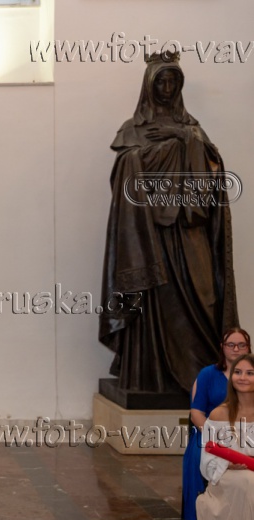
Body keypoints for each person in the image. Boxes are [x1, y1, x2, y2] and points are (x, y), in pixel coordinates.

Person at [99, 51, 237, 396]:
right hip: (148, 234)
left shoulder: (193, 130)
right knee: (153, 300)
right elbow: (124, 175)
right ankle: (149, 375)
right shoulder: (132, 130)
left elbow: (213, 174)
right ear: (148, 86)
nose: (166, 88)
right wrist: (149, 154)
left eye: (172, 82)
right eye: (160, 81)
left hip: (188, 231)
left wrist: (185, 140)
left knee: (203, 298)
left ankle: (203, 380)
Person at [197, 354, 254, 520]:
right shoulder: (219, 414)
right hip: (225, 481)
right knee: (249, 482)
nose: (243, 377)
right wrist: (228, 463)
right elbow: (207, 462)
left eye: (250, 373)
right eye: (238, 372)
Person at [182, 327, 250, 520]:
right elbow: (196, 412)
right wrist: (216, 436)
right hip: (210, 432)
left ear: (248, 347)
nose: (236, 349)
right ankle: (206, 512)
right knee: (200, 454)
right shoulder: (208, 374)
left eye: (241, 345)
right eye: (231, 345)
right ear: (222, 347)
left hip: (247, 433)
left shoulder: (251, 375)